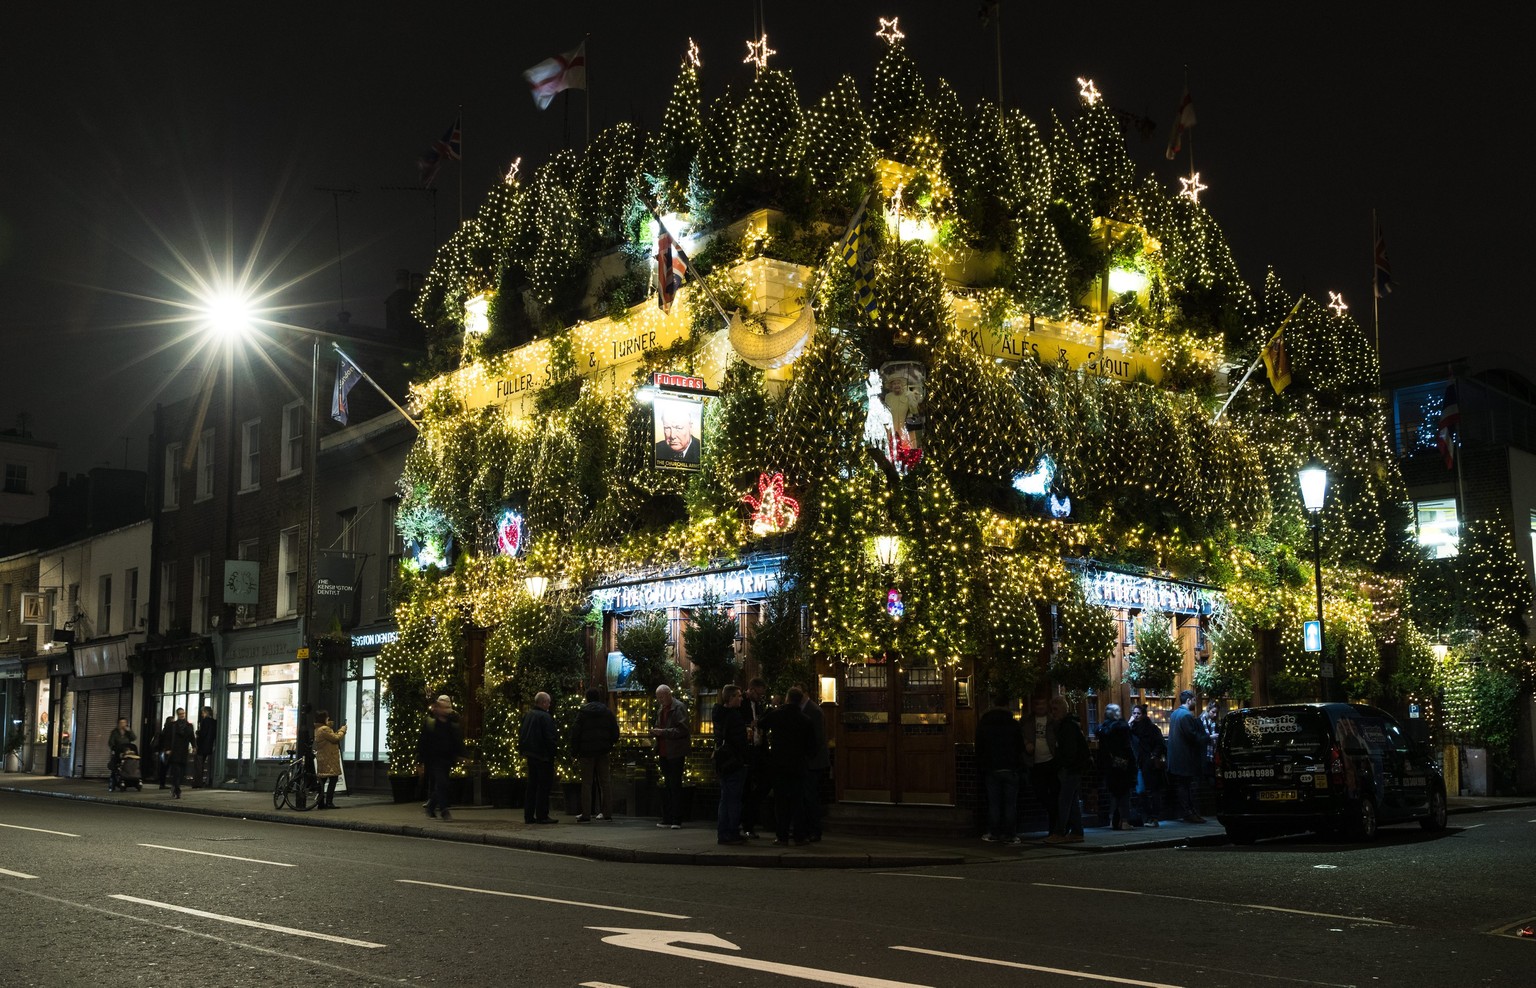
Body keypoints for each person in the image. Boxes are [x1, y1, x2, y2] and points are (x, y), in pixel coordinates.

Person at [762, 685, 814, 845]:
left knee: (781, 802)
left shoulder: (777, 715)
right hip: (798, 765)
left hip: (779, 764)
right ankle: (799, 835)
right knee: (798, 802)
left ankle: (782, 835)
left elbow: (761, 724)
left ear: (787, 698)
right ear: (800, 701)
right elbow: (812, 746)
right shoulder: (806, 720)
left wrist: (772, 706)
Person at [975, 695, 1024, 843]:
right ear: (1007, 706)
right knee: (1010, 804)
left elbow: (979, 746)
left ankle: (994, 833)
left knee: (994, 803)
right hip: (1010, 768)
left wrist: (982, 764)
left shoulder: (984, 723)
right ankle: (1010, 834)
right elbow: (1019, 746)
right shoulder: (1013, 724)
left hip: (992, 768)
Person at [1044, 696, 1088, 844]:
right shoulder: (1066, 725)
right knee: (1072, 801)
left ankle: (1060, 832)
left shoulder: (1068, 726)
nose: (1053, 712)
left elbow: (1069, 751)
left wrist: (1063, 766)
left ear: (1063, 708)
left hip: (1071, 769)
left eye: (1055, 709)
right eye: (1052, 709)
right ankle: (1077, 831)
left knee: (1064, 801)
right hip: (1072, 769)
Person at [570, 687, 619, 821]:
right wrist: (609, 744)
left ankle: (586, 814)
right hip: (603, 751)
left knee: (587, 783)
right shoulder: (607, 712)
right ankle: (607, 812)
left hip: (586, 753)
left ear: (587, 698)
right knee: (605, 783)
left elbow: (576, 732)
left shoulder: (583, 713)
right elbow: (615, 732)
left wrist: (575, 751)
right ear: (599, 697)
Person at [713, 684, 750, 845]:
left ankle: (723, 832)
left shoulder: (718, 714)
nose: (741, 698)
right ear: (731, 697)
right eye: (738, 696)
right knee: (733, 799)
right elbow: (739, 742)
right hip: (734, 761)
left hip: (722, 761)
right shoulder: (734, 717)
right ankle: (731, 832)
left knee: (725, 798)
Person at [417, 695, 464, 821]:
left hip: (447, 759)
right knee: (442, 782)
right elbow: (423, 742)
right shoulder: (431, 723)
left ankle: (431, 806)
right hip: (433, 760)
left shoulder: (451, 723)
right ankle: (444, 811)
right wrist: (420, 761)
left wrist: (461, 755)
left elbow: (456, 740)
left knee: (442, 784)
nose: (444, 710)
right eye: (442, 707)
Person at [650, 684, 691, 829]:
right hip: (664, 751)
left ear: (669, 694)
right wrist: (656, 731)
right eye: (658, 697)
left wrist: (663, 732)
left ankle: (676, 819)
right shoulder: (662, 709)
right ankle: (667, 818)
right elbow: (660, 725)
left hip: (675, 752)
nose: (660, 700)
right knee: (667, 785)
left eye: (662, 696)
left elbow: (683, 729)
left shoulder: (678, 707)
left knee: (674, 785)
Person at [1095, 704, 1137, 831]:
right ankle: (1124, 821)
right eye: (1118, 710)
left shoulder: (1102, 729)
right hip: (1122, 765)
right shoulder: (1122, 728)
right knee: (1124, 793)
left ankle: (1112, 819)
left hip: (1109, 765)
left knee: (1114, 793)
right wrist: (1132, 764)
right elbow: (1127, 747)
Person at [1167, 689, 1207, 824]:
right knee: (1186, 787)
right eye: (1194, 700)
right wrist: (1208, 737)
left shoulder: (1174, 714)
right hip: (1184, 757)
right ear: (1189, 700)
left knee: (1183, 786)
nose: (1195, 703)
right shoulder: (1186, 716)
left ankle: (1188, 812)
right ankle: (1189, 813)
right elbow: (1192, 737)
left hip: (1176, 757)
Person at [739, 678, 771, 840]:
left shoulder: (759, 705)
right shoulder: (740, 702)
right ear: (751, 690)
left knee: (764, 784)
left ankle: (748, 819)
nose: (760, 697)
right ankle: (746, 824)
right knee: (745, 789)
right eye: (758, 693)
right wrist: (749, 725)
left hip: (759, 751)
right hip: (746, 753)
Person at [520, 691, 558, 825]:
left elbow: (522, 734)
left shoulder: (528, 715)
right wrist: (553, 752)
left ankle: (529, 815)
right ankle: (542, 815)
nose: (549, 704)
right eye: (548, 702)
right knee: (543, 786)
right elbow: (550, 737)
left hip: (531, 755)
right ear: (543, 703)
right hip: (543, 756)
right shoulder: (545, 717)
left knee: (532, 786)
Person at [1023, 696, 1059, 837]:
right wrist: (1026, 743)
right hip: (1034, 763)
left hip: (1050, 761)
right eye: (1038, 705)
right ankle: (1054, 820)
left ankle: (1053, 827)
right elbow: (1021, 735)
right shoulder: (1027, 721)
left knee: (1053, 794)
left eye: (1043, 705)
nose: (1040, 707)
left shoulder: (1053, 721)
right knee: (1040, 794)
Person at [799, 685, 830, 842]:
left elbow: (817, 738)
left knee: (811, 797)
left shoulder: (814, 711)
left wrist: (806, 755)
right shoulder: (804, 709)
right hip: (809, 761)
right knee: (806, 797)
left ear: (805, 693)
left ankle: (814, 831)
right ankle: (807, 829)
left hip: (813, 762)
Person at [1129, 703, 1166, 827]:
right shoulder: (1132, 728)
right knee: (1140, 791)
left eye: (1138, 713)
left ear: (1144, 715)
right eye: (1134, 713)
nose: (1136, 716)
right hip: (1139, 763)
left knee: (1154, 790)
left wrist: (1154, 755)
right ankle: (1148, 816)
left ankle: (1154, 818)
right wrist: (1129, 722)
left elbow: (1160, 743)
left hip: (1149, 763)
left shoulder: (1152, 728)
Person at [313, 710, 348, 810]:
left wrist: (329, 725)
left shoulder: (319, 729)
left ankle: (320, 802)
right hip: (329, 758)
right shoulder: (324, 729)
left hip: (323, 758)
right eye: (327, 717)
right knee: (333, 779)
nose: (328, 719)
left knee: (322, 781)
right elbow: (336, 738)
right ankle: (329, 802)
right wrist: (343, 730)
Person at [161, 707, 196, 799]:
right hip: (174, 751)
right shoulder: (172, 725)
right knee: (176, 771)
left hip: (184, 751)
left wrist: (194, 746)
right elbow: (167, 738)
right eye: (180, 714)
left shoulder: (189, 726)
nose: (182, 715)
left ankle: (175, 786)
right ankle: (177, 789)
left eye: (183, 713)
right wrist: (167, 749)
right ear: (177, 715)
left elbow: (192, 737)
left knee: (181, 772)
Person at [107, 717, 136, 792]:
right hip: (118, 751)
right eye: (121, 723)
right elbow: (111, 742)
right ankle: (113, 781)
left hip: (127, 751)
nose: (123, 724)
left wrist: (129, 731)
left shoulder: (127, 732)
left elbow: (133, 738)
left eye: (124, 723)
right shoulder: (115, 732)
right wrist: (114, 749)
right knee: (115, 766)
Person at [194, 705, 218, 789]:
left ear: (206, 713)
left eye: (203, 712)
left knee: (199, 765)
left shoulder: (204, 721)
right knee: (209, 765)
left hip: (202, 746)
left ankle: (198, 782)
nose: (202, 714)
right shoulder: (214, 722)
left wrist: (198, 733)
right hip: (210, 745)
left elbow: (203, 733)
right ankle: (208, 780)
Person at [1200, 700, 1222, 782]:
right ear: (1208, 709)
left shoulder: (1213, 722)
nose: (1215, 714)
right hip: (1203, 755)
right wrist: (1211, 737)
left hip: (1211, 755)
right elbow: (1199, 738)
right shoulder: (1201, 720)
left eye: (1216, 712)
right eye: (1213, 712)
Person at [154, 711, 176, 788]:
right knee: (165, 767)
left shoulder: (164, 729)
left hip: (162, 751)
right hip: (166, 751)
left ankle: (162, 783)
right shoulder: (169, 730)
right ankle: (163, 783)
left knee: (163, 767)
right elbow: (166, 741)